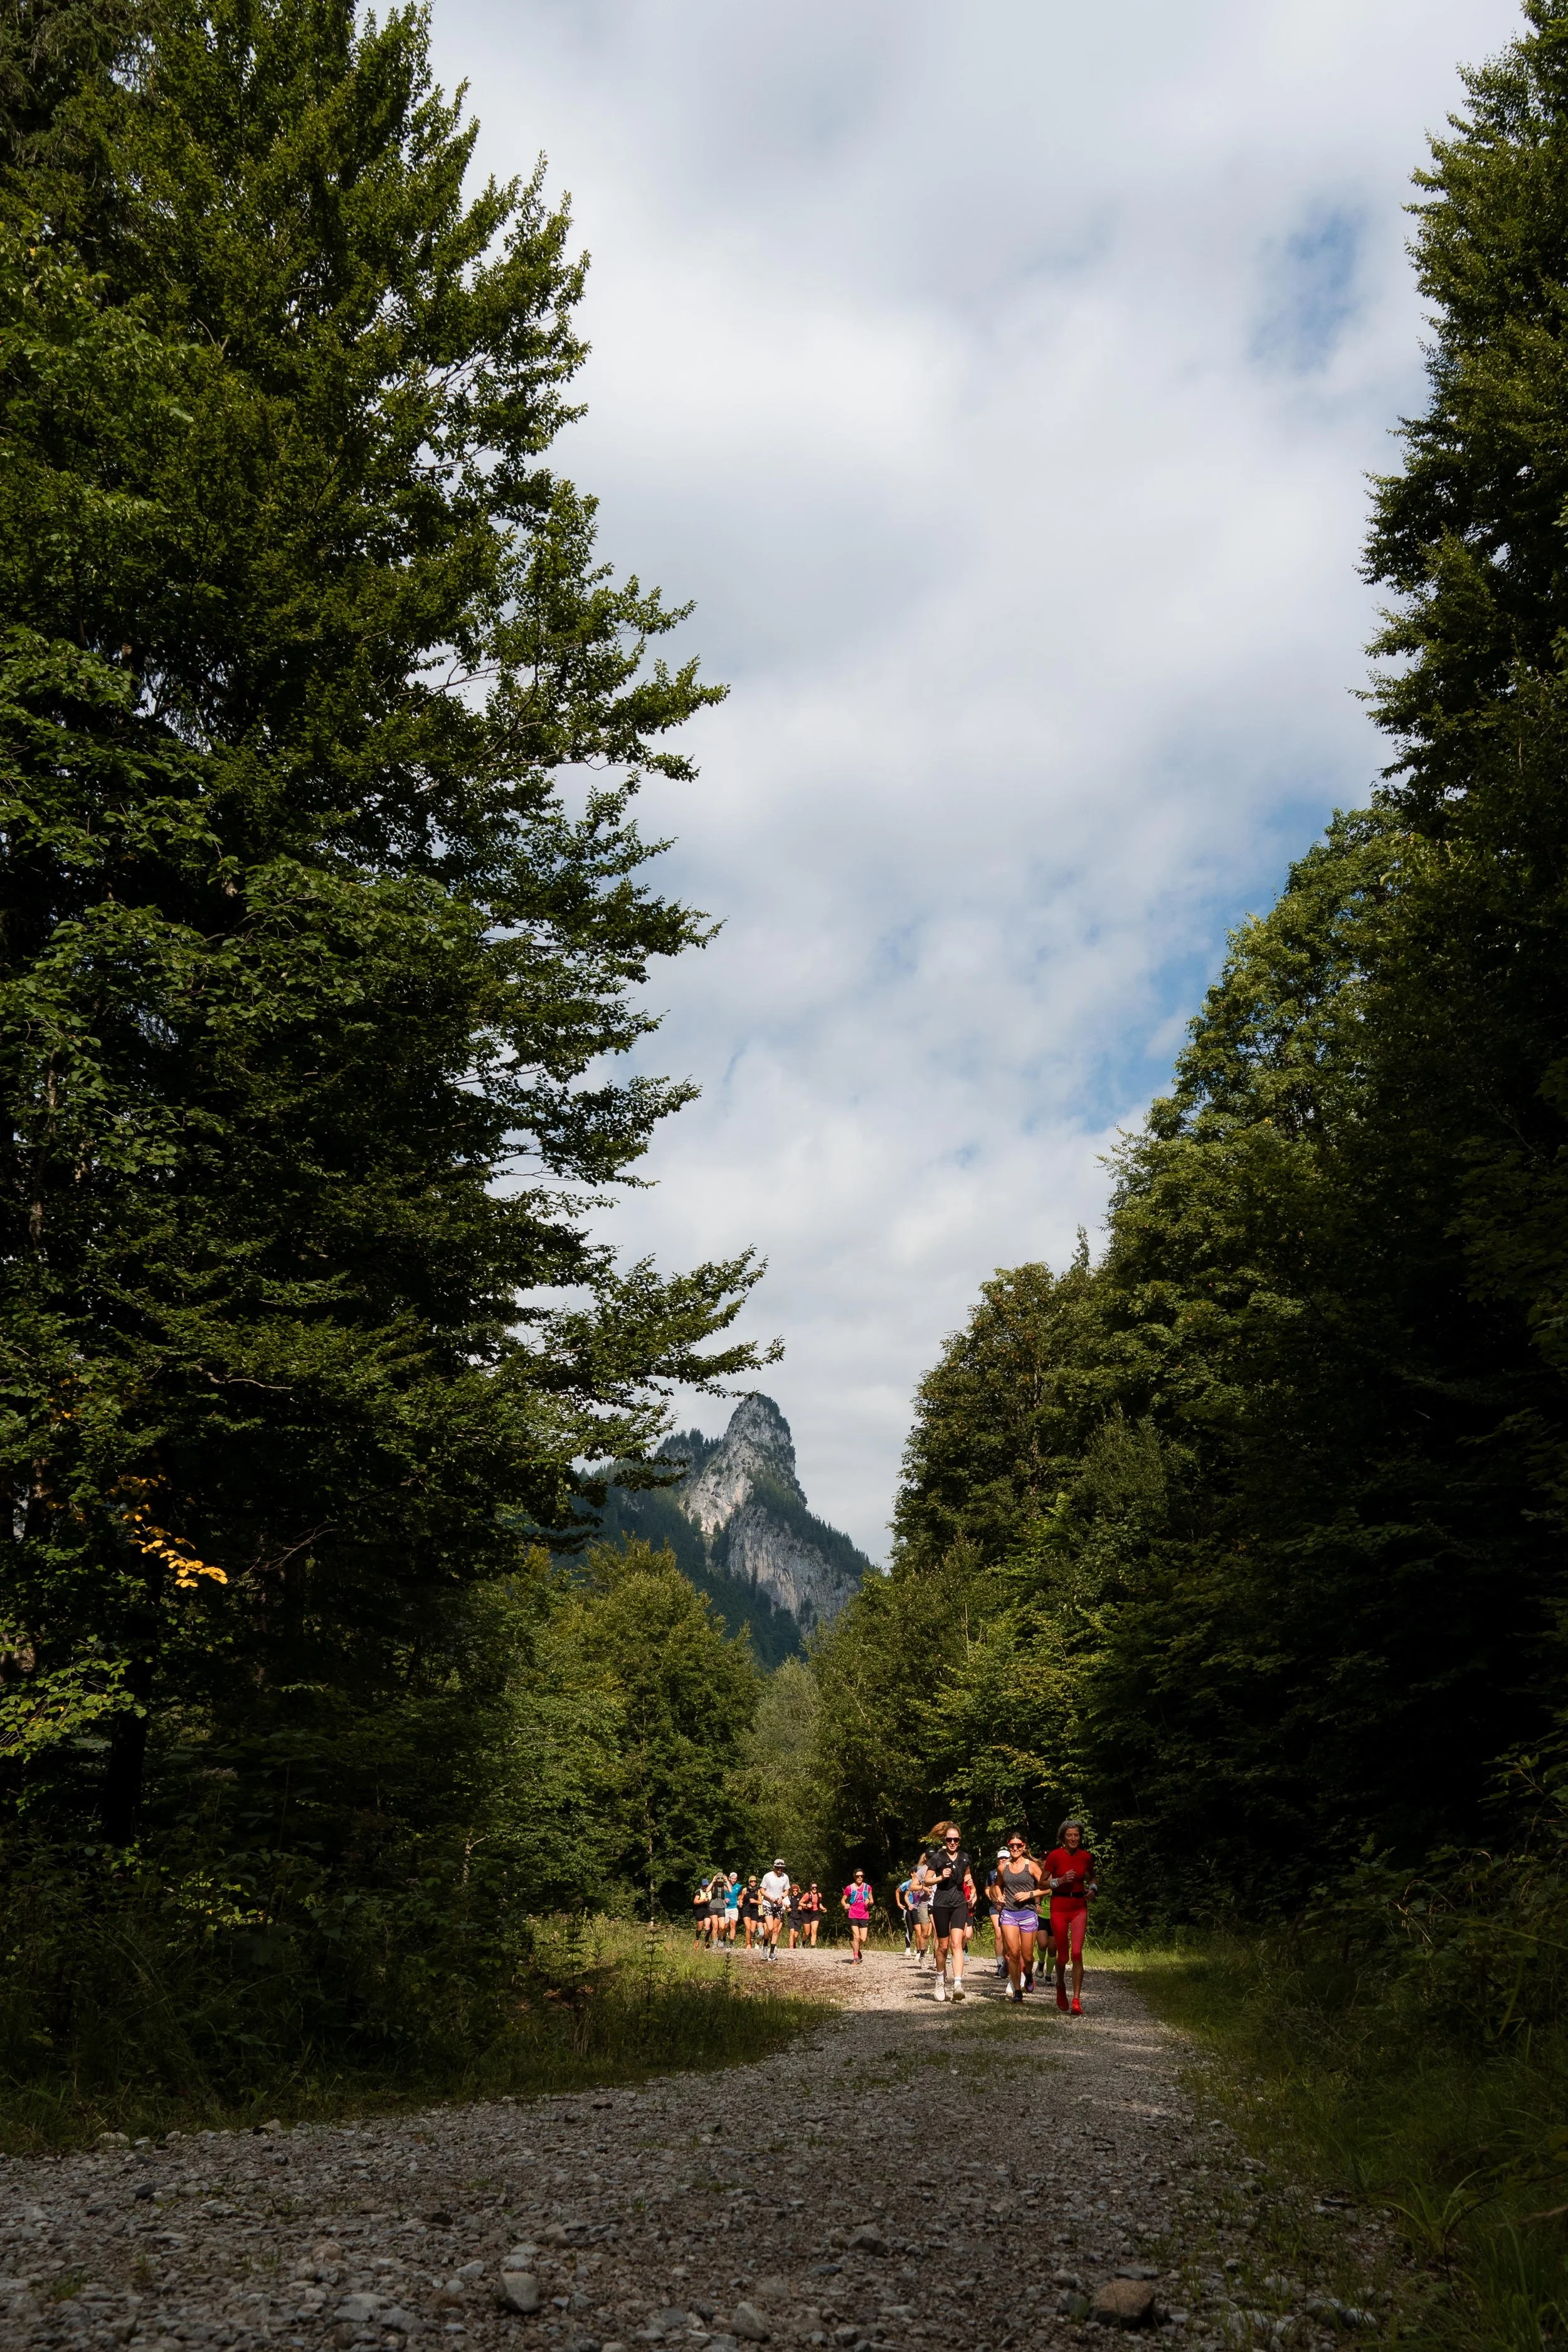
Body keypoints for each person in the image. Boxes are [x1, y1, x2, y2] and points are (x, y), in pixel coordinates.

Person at [1045, 1817, 1098, 2015]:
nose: (1073, 1838)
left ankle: (1076, 2000)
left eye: (1076, 1835)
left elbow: (1092, 1876)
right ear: (1063, 1838)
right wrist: (1058, 1881)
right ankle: (1060, 1985)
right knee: (1063, 1955)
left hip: (1079, 1907)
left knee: (1077, 1953)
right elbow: (1042, 1883)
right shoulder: (1055, 1856)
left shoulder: (1085, 1857)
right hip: (1059, 1906)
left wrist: (1093, 1888)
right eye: (1070, 1835)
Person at [925, 1820, 975, 2001]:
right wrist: (940, 1877)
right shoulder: (937, 1858)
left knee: (957, 1943)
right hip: (941, 1904)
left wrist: (973, 1889)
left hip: (959, 1903)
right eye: (949, 1840)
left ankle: (958, 1984)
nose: (952, 1843)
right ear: (944, 1840)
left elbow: (968, 1877)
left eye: (955, 1840)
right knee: (943, 1946)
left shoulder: (965, 1857)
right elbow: (927, 1881)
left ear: (960, 1840)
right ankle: (940, 1980)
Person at [994, 1832, 1044, 2003]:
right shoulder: (1003, 1867)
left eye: (1018, 1845)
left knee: (1028, 1956)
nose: (1015, 1848)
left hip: (1028, 1913)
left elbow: (1046, 1888)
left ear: (1024, 1847)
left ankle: (1028, 1974)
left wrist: (1029, 1894)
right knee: (1014, 1953)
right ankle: (1017, 1991)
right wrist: (999, 1897)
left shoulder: (1032, 1866)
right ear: (1009, 1847)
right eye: (1012, 1845)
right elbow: (997, 1886)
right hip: (1009, 1913)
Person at [759, 1857, 791, 1961]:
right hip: (768, 1904)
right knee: (770, 1927)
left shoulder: (785, 1877)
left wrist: (782, 1897)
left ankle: (772, 1952)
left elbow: (787, 1890)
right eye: (778, 1867)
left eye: (782, 1868)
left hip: (779, 1905)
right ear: (774, 1867)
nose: (780, 1870)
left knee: (776, 1930)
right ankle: (765, 1945)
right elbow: (762, 1890)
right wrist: (770, 1898)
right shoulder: (767, 1876)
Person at [841, 1868, 874, 1963]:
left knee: (863, 1938)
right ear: (854, 1877)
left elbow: (872, 1900)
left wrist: (869, 1902)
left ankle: (856, 1947)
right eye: (858, 1876)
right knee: (856, 1936)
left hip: (864, 1914)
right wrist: (845, 1905)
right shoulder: (849, 1888)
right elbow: (843, 1900)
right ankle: (856, 1957)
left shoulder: (868, 1888)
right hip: (853, 1914)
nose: (860, 1878)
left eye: (862, 1876)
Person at [907, 1858, 935, 1967]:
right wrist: (923, 1887)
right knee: (925, 1933)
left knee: (938, 1934)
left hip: (937, 1904)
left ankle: (936, 1959)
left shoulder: (941, 1869)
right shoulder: (922, 1871)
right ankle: (922, 1955)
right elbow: (912, 1887)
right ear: (926, 1859)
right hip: (923, 1905)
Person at [739, 1874, 761, 1949]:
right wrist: (740, 1903)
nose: (753, 1882)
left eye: (754, 1881)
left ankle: (751, 1941)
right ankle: (748, 1943)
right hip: (746, 1910)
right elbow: (741, 1898)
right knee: (748, 1928)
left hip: (754, 1911)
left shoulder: (758, 1891)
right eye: (752, 1881)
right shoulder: (745, 1890)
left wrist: (755, 1901)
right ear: (749, 1882)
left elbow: (760, 1902)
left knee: (752, 1930)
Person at [799, 1882, 824, 1946]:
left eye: (816, 1888)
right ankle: (803, 1942)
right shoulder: (807, 1895)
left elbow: (819, 1904)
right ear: (811, 1888)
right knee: (807, 1932)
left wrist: (823, 1908)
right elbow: (800, 1903)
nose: (815, 1889)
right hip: (807, 1913)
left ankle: (812, 1946)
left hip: (815, 1913)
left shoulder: (819, 1895)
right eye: (813, 1888)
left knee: (814, 1930)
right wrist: (807, 1905)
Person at [896, 1870, 914, 1953]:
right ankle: (908, 1948)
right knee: (909, 1929)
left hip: (919, 1908)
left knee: (920, 1930)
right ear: (912, 1873)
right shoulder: (907, 1884)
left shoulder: (922, 1882)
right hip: (908, 1909)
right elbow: (897, 1891)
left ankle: (919, 1949)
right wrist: (899, 1903)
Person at [788, 1878, 806, 1949]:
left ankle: (794, 1943)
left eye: (796, 1891)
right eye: (794, 1891)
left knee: (796, 1935)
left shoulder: (801, 1897)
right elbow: (784, 1903)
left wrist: (802, 1907)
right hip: (791, 1916)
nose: (795, 1892)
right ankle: (791, 1948)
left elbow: (806, 1904)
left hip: (799, 1917)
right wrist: (787, 1908)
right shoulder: (789, 1897)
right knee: (792, 1932)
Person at [724, 1871, 741, 1944]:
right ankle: (723, 1940)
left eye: (735, 1879)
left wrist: (739, 1901)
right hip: (726, 1908)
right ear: (729, 1878)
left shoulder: (739, 1887)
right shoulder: (724, 1885)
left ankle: (731, 1943)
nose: (734, 1880)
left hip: (734, 1908)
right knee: (725, 1926)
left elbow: (740, 1895)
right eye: (732, 1878)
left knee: (733, 1926)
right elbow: (721, 1895)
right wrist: (724, 1899)